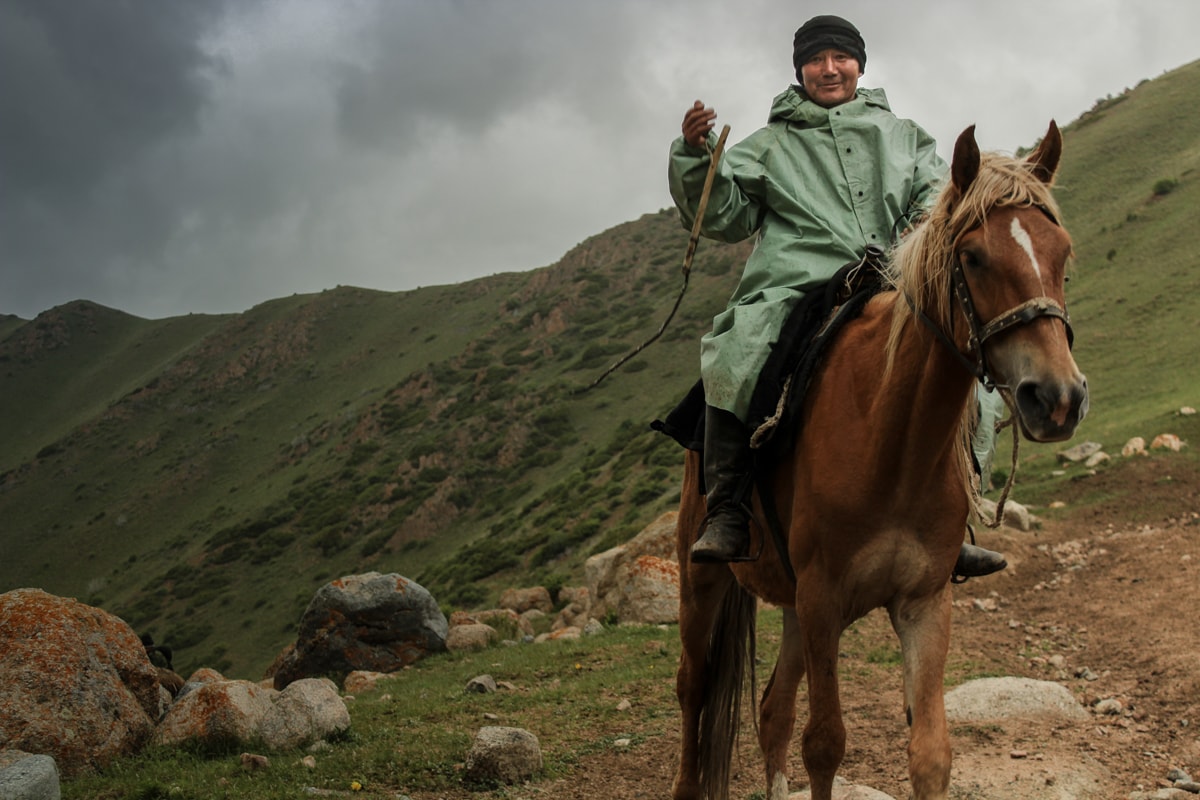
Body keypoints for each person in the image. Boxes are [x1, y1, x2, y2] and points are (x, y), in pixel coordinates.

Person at [668, 14, 1006, 576]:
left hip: (895, 283)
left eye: (840, 58)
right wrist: (695, 155)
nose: (829, 69)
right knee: (736, 350)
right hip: (793, 284)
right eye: (816, 60)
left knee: (966, 375)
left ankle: (956, 516)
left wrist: (917, 242)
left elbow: (936, 202)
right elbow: (724, 215)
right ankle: (726, 510)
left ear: (859, 65)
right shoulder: (768, 145)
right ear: (800, 70)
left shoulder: (905, 137)